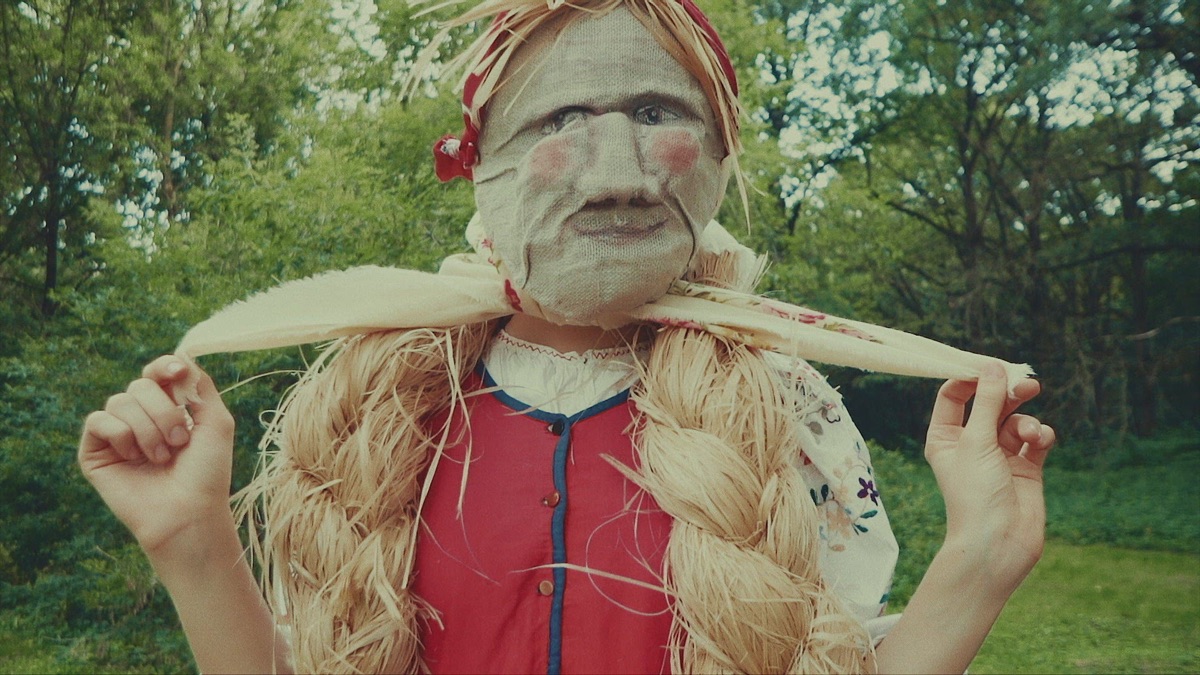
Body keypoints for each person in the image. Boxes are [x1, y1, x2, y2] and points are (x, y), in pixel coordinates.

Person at [78, 1, 1056, 673]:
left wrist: (983, 553)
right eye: (562, 119)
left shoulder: (787, 408)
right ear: (480, 163)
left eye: (656, 113)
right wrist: (192, 542)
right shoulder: (368, 414)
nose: (620, 172)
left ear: (721, 154)